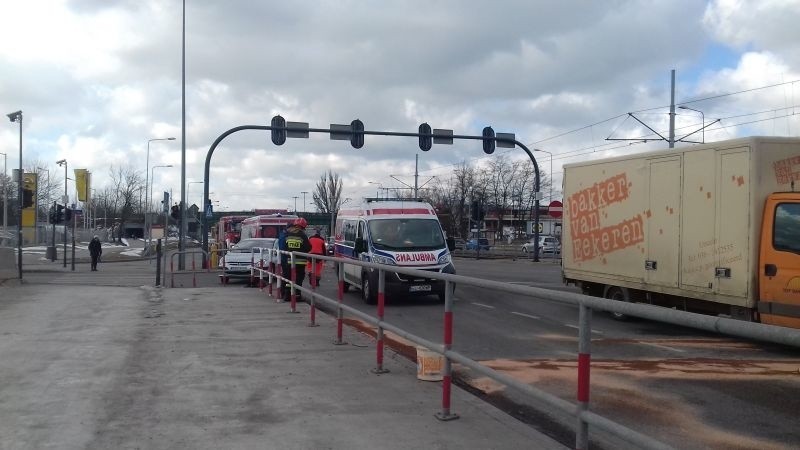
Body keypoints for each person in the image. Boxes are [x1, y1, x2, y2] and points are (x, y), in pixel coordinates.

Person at [279, 218, 311, 299]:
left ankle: (287, 295)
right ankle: (297, 295)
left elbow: (284, 247)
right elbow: (308, 247)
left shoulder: (287, 234)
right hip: (300, 261)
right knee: (299, 278)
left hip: (289, 261)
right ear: (303, 227)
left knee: (288, 278)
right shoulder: (302, 235)